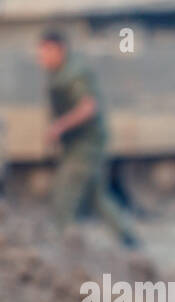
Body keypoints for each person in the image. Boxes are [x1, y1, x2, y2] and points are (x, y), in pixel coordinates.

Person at [36, 31, 138, 248]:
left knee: (64, 193)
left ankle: (64, 242)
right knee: (97, 197)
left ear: (59, 49)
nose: (42, 59)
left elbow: (88, 108)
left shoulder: (74, 73)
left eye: (45, 52)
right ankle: (128, 239)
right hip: (82, 144)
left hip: (85, 146)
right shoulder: (61, 72)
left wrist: (59, 127)